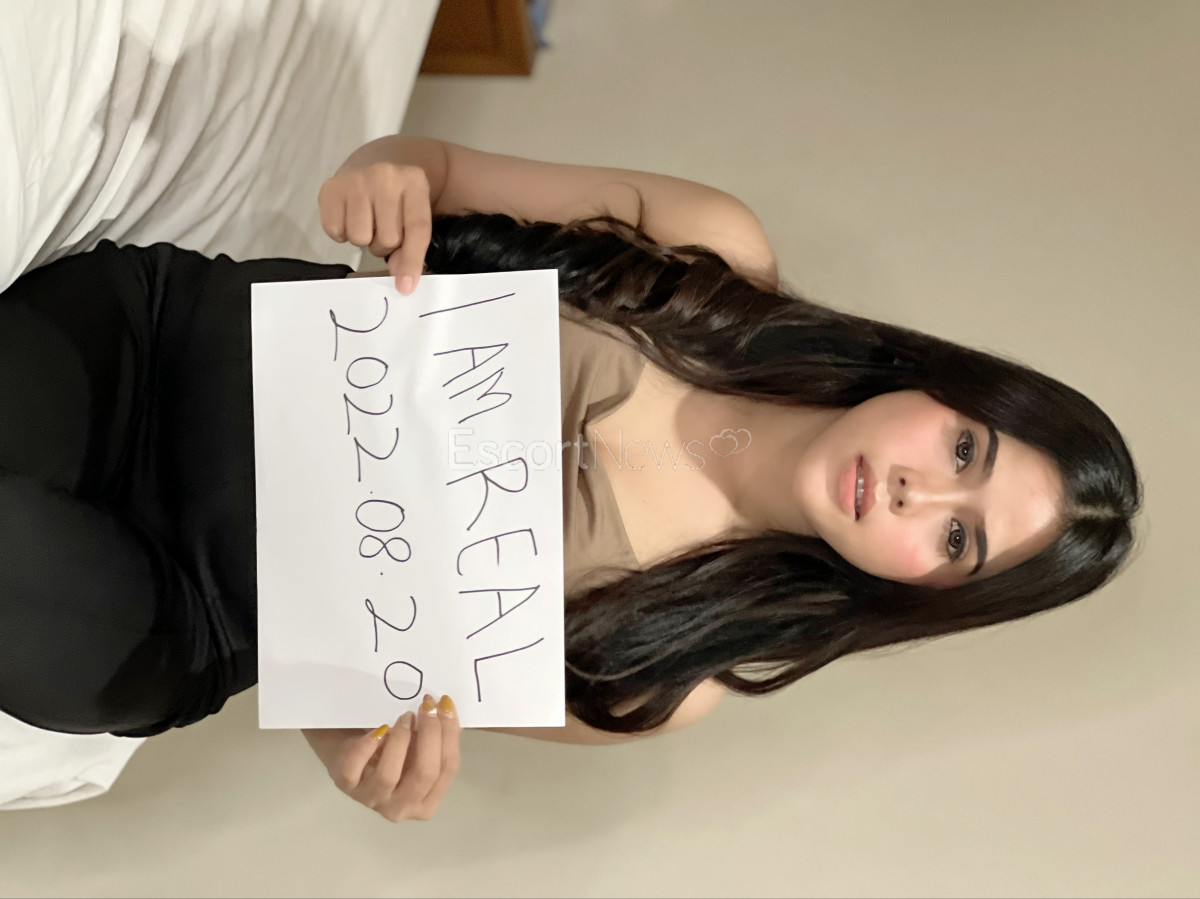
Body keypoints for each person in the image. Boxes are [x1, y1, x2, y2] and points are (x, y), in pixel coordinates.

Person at [0, 137, 1139, 822]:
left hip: (182, 611)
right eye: (965, 452)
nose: (916, 495)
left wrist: (357, 754)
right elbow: (431, 170)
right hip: (155, 351)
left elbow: (356, 679)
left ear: (925, 591)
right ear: (947, 386)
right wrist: (382, 183)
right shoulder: (712, 254)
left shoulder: (667, 679)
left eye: (957, 541)